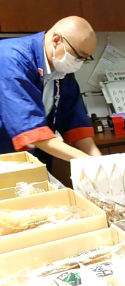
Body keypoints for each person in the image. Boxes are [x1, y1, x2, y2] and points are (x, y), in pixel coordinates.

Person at [0, 16, 101, 170]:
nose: (79, 63)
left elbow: (74, 121)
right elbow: (29, 128)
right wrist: (88, 161)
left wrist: (100, 161)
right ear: (56, 39)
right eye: (78, 55)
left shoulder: (62, 70)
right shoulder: (11, 58)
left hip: (35, 154)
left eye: (85, 59)